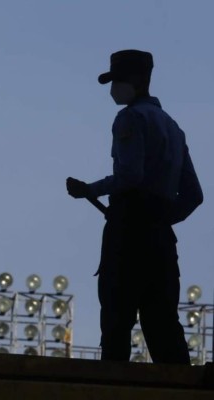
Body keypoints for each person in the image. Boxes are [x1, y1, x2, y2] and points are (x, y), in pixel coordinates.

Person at [66, 50, 202, 364]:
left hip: (128, 236)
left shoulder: (130, 118)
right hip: (161, 240)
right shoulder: (173, 127)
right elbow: (194, 195)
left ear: (138, 80)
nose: (114, 89)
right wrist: (161, 218)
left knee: (117, 320)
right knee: (164, 324)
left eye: (119, 80)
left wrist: (89, 189)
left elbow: (130, 175)